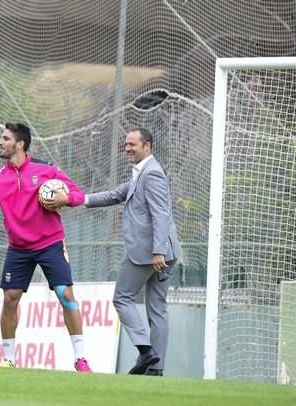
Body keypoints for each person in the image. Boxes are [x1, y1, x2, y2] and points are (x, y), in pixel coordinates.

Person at [0, 123, 92, 373]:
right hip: (19, 249)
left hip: (50, 243)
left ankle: (80, 359)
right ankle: (9, 358)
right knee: (10, 300)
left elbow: (78, 194)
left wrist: (64, 198)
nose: (0, 142)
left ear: (20, 144)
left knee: (65, 294)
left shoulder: (46, 169)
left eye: (5, 138)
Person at [84, 127, 181, 376]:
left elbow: (161, 214)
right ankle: (156, 369)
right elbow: (116, 194)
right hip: (163, 252)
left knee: (122, 297)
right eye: (126, 144)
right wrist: (80, 199)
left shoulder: (152, 174)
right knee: (157, 308)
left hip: (150, 253)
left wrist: (157, 251)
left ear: (147, 146)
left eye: (132, 145)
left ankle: (145, 350)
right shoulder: (142, 171)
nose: (127, 148)